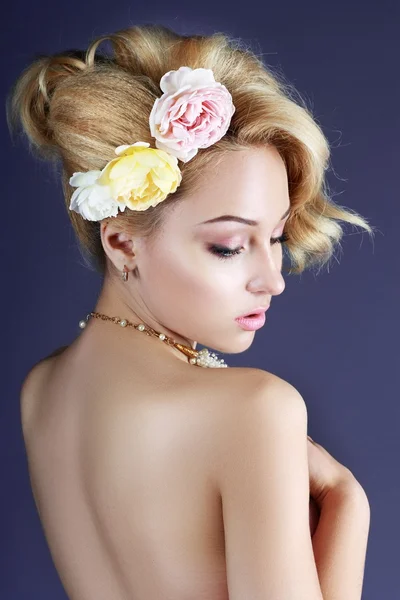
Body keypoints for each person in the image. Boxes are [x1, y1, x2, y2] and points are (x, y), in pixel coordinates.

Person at [7, 23, 373, 600]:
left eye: (276, 237)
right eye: (229, 245)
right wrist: (349, 506)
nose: (273, 278)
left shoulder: (40, 391)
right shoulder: (255, 410)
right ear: (122, 241)